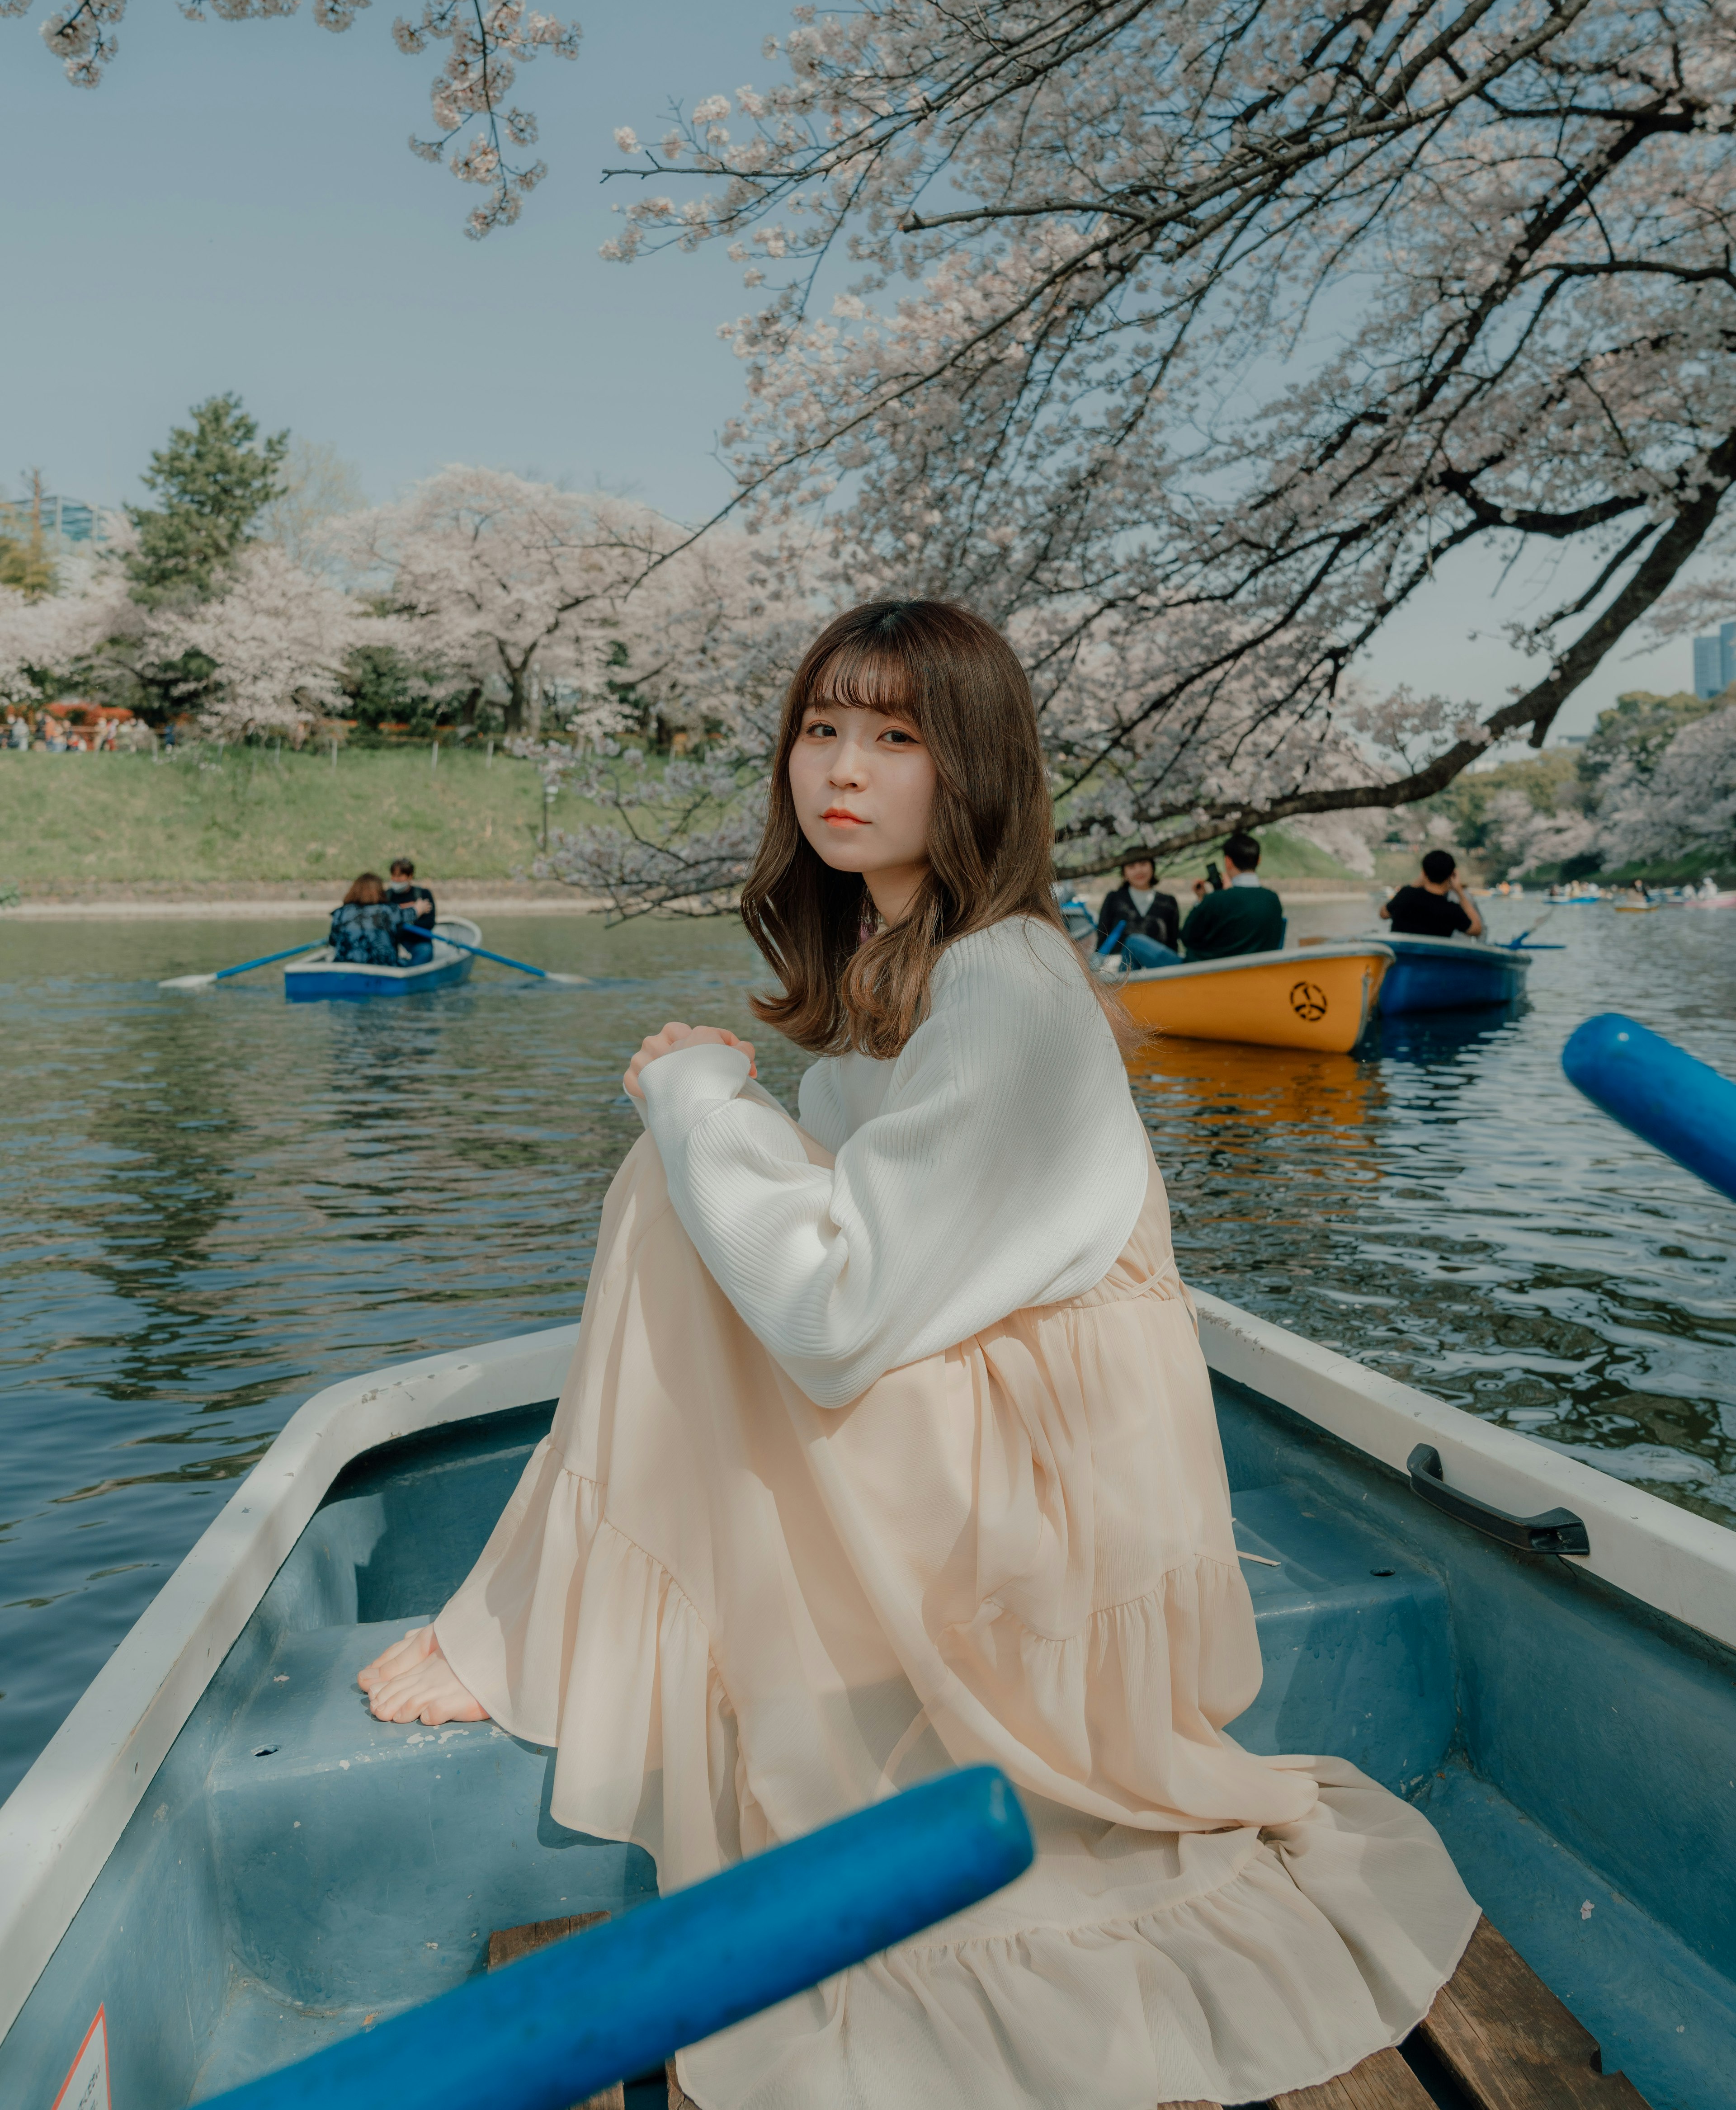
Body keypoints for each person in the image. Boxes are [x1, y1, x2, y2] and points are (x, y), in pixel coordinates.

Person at [356, 600, 1474, 2108]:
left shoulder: (1006, 982)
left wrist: (699, 1098)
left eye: (897, 736)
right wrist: (713, 1120)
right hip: (1009, 1423)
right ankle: (549, 1617)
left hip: (1053, 1482)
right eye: (822, 727)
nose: (843, 768)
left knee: (679, 1189)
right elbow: (844, 1253)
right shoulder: (912, 951)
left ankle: (540, 1625)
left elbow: (834, 1316)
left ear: (976, 772)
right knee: (684, 1194)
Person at [1179, 828, 1287, 959]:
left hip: (1215, 974)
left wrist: (1201, 899)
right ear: (1259, 861)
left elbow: (1187, 937)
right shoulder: (1273, 899)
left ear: (1228, 862)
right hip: (1259, 974)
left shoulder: (1215, 900)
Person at [1094, 848, 1181, 967]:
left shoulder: (1168, 902)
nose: (1138, 870)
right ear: (1124, 872)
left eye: (1143, 864)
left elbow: (1172, 943)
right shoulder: (1114, 899)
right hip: (1121, 968)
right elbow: (1102, 936)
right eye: (1131, 866)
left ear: (1152, 866)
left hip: (1157, 969)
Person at [1381, 848, 1485, 940]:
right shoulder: (1452, 910)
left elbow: (1383, 914)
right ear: (1452, 876)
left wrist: (1415, 884)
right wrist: (1460, 892)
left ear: (1424, 873)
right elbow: (1477, 930)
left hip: (1400, 959)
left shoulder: (1405, 895)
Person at [327, 871, 406, 966]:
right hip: (384, 967)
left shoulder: (341, 912)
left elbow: (333, 941)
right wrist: (419, 909)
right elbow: (400, 934)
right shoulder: (390, 910)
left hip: (347, 967)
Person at [385, 858, 438, 964]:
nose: (395, 879)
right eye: (393, 876)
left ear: (410, 876)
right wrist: (416, 913)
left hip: (419, 943)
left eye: (399, 876)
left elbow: (429, 924)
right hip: (395, 943)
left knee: (425, 951)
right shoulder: (386, 896)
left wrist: (401, 922)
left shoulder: (423, 894)